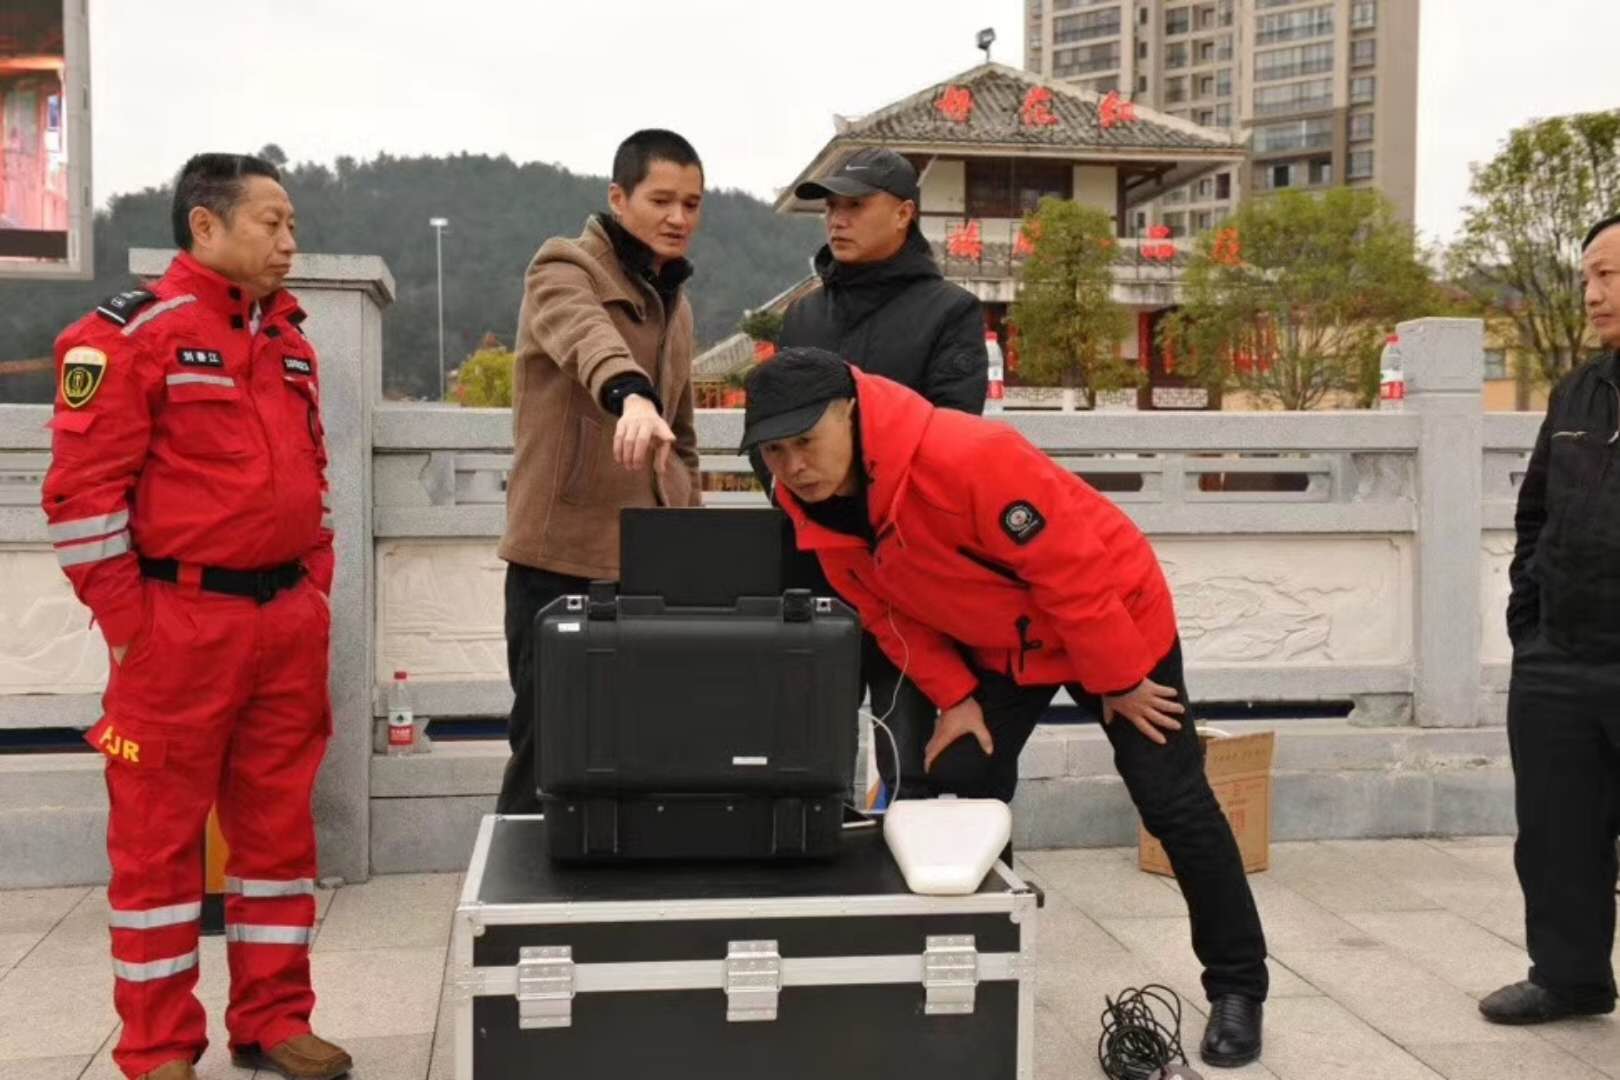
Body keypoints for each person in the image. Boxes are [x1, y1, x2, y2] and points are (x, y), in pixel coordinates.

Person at [741, 347, 1269, 1068]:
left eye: (807, 440)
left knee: (1169, 797)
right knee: (962, 777)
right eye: (774, 451)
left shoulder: (968, 455)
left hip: (1115, 619)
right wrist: (955, 698)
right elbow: (887, 614)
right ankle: (985, 958)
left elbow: (1074, 571)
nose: (795, 465)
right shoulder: (810, 507)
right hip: (1005, 644)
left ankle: (1239, 985)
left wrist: (1118, 678)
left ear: (850, 413)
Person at [42, 154, 349, 1080]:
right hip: (176, 627)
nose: (290, 242)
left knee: (279, 837)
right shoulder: (127, 337)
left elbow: (313, 488)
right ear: (205, 227)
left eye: (293, 224)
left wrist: (313, 591)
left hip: (283, 625)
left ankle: (273, 1020)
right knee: (156, 850)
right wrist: (133, 626)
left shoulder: (289, 342)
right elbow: (81, 501)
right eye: (271, 223)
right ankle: (158, 1048)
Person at [495, 129, 705, 813]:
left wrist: (689, 533)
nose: (678, 218)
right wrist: (631, 394)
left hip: (650, 563)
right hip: (560, 561)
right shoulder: (564, 266)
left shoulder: (676, 302)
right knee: (548, 748)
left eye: (692, 204)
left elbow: (684, 437)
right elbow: (588, 339)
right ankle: (519, 876)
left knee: (639, 748)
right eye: (661, 200)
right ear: (619, 198)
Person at [777, 146, 988, 800]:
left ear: (903, 213)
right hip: (818, 563)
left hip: (911, 568)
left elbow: (953, 437)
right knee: (807, 749)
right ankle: (816, 851)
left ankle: (914, 854)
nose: (837, 220)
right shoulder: (804, 316)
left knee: (914, 754)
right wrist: (814, 510)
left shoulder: (951, 312)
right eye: (830, 207)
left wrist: (874, 517)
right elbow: (772, 434)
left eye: (855, 205)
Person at [1481, 211, 1620, 1026]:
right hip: (1560, 654)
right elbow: (1534, 512)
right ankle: (1569, 977)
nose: (1592, 295)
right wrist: (1528, 625)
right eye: (1587, 279)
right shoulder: (1579, 392)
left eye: (1608, 275)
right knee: (1556, 834)